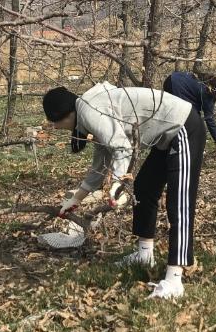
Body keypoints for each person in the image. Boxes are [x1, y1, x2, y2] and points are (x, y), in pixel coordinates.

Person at [42, 81, 206, 299]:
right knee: (145, 188)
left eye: (54, 121)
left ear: (66, 114)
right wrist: (77, 199)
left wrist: (117, 185)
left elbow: (122, 147)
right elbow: (101, 162)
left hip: (183, 126)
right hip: (166, 137)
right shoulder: (88, 111)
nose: (55, 127)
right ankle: (145, 255)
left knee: (179, 202)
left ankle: (174, 280)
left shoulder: (89, 112)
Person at [162, 71, 216, 152]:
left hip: (174, 78)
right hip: (174, 85)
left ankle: (181, 147)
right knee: (185, 120)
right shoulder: (208, 95)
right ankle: (176, 148)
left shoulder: (210, 86)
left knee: (193, 118)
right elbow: (209, 119)